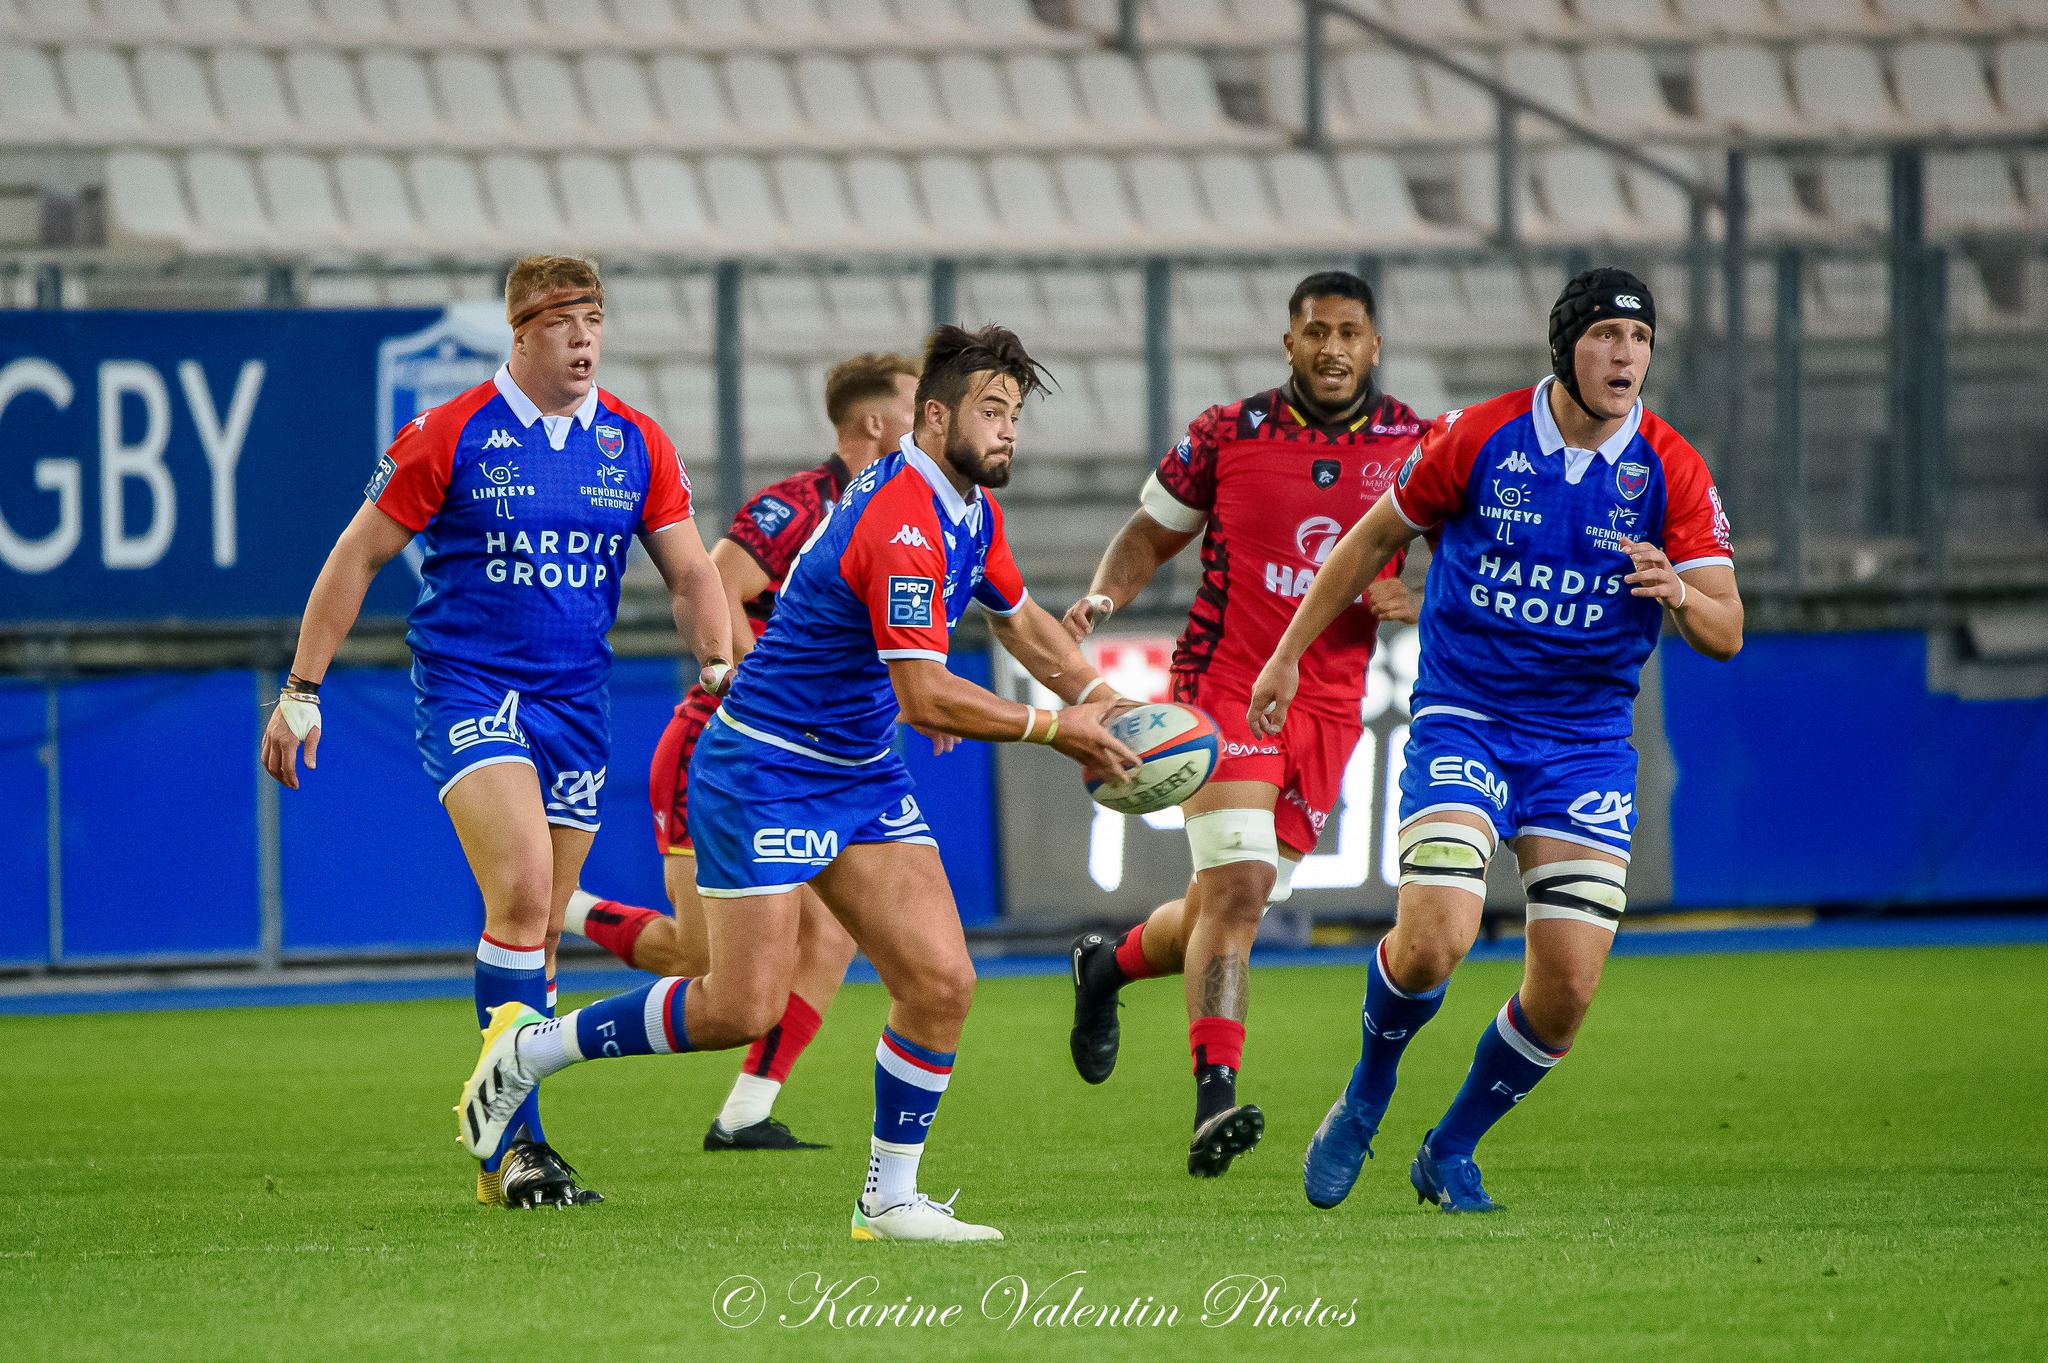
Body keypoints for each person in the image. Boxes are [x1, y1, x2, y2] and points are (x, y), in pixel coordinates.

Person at [453, 325, 1140, 1241]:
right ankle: (526, 1053)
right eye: (991, 410)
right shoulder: (901, 518)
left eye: (1016, 413)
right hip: (765, 768)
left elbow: (1021, 623)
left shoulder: (972, 510)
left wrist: (1105, 698)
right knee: (736, 1005)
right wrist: (1062, 728)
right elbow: (926, 694)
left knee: (940, 981)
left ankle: (887, 1199)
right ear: (933, 419)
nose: (1009, 429)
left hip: (857, 770)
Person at [1249, 268, 1743, 1213]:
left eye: (1638, 342)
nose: (1625, 356)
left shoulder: (1672, 468)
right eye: (1605, 336)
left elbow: (1728, 629)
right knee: (1435, 941)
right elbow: (1363, 541)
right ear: (1566, 347)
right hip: (1466, 717)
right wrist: (1285, 656)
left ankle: (1450, 1147)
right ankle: (1366, 1092)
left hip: (1586, 743)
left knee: (1566, 990)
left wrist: (1680, 591)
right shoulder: (1476, 436)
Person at [261, 256, 732, 1209]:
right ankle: (514, 1151)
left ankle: (518, 1144)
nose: (585, 339)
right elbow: (357, 556)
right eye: (565, 322)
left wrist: (720, 667)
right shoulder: (450, 432)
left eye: (596, 319)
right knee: (521, 894)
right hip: (472, 687)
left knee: (537, 938)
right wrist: (302, 687)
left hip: (576, 704)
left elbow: (689, 573)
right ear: (520, 331)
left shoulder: (637, 443)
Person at [1061, 271, 1425, 1178]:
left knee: (1238, 901)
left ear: (1374, 346)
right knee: (1240, 884)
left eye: (1350, 333)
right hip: (1226, 685)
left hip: (1332, 701)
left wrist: (1418, 594)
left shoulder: (1420, 445)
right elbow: (1150, 532)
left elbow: (1469, 558)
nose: (1333, 348)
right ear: (1289, 342)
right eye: (1316, 332)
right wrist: (1107, 594)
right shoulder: (1226, 433)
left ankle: (1105, 968)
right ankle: (1212, 1099)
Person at [565, 352, 920, 1152]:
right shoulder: (801, 503)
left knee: (832, 933)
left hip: (813, 760)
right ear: (873, 423)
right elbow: (718, 580)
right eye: (914, 401)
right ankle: (565, 909)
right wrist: (765, 688)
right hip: (724, 745)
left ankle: (745, 1113)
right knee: (700, 959)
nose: (932, 413)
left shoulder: (907, 512)